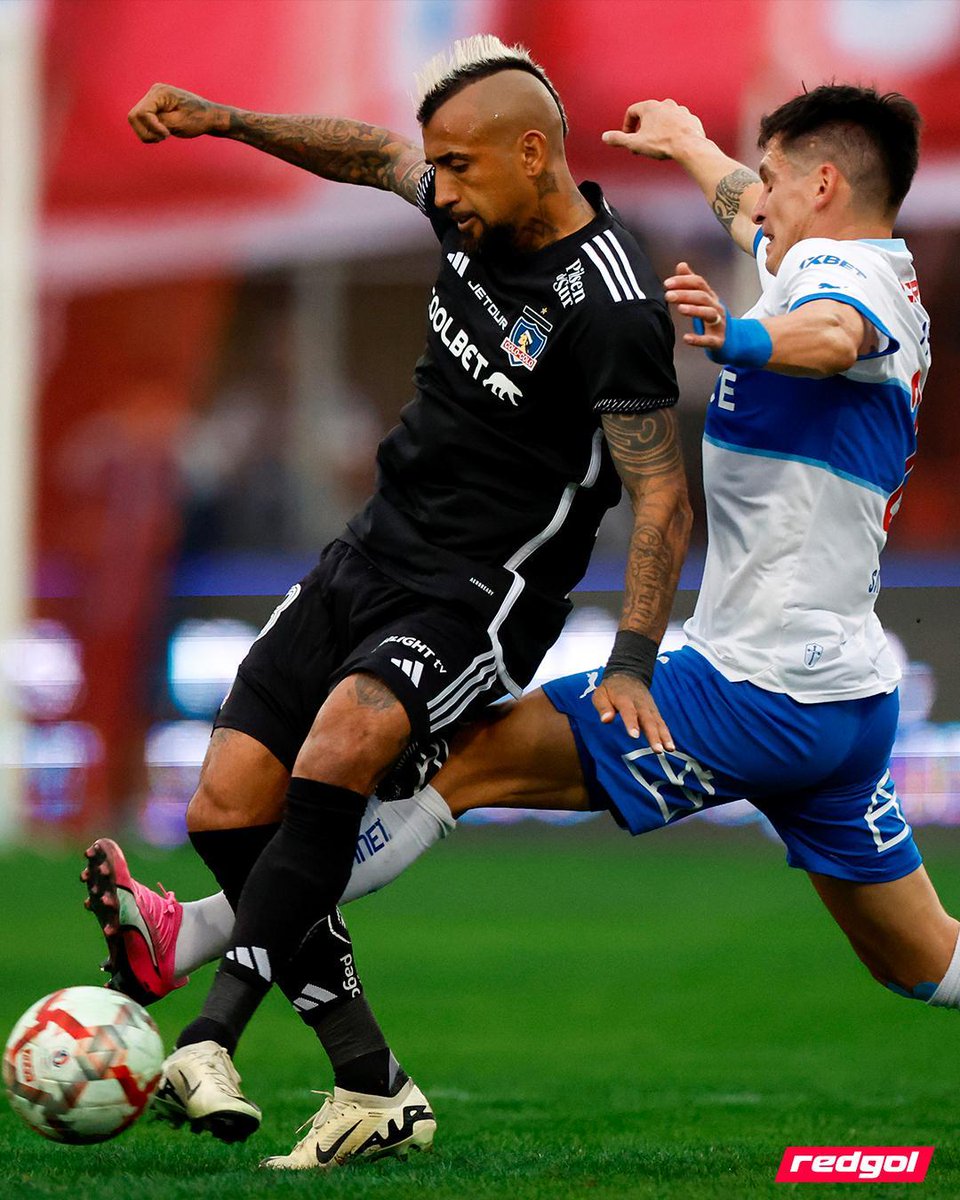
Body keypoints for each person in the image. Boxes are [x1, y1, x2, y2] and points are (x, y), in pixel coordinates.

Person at [92, 82, 959, 1165]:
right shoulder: (844, 246)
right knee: (928, 965)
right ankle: (264, 992)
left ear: (825, 183)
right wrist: (693, 145)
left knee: (458, 764)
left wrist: (732, 332)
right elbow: (753, 212)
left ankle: (201, 945)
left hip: (754, 686)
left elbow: (827, 334)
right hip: (843, 696)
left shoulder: (843, 280)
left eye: (776, 179)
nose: (758, 205)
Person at [85, 35, 690, 1169]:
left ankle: (212, 1032)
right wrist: (223, 115)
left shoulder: (610, 304)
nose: (438, 188)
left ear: (530, 153)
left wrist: (635, 660)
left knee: (342, 742)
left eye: (457, 168)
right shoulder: (471, 206)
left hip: (482, 593)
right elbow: (367, 154)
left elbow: (662, 496)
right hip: (368, 550)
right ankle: (373, 1084)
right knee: (226, 808)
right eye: (436, 169)